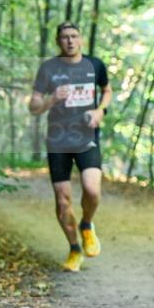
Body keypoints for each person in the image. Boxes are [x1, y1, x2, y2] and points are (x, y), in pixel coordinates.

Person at [29, 22, 112, 272]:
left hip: (86, 137)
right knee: (63, 201)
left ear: (81, 39)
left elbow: (107, 90)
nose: (70, 41)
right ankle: (74, 249)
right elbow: (34, 106)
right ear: (58, 41)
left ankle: (86, 224)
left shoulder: (94, 65)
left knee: (92, 190)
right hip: (58, 141)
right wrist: (52, 99)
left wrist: (100, 111)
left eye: (74, 36)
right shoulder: (48, 69)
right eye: (64, 37)